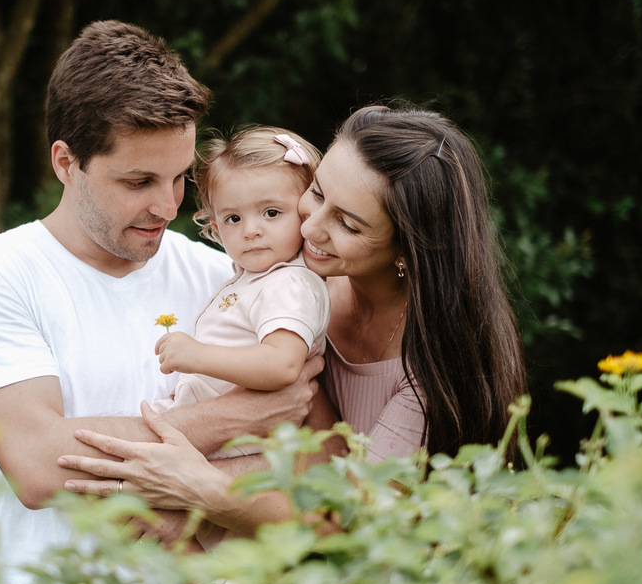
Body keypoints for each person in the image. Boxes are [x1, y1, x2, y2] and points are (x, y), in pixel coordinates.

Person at [0, 20, 320, 584]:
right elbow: (38, 465)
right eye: (139, 180)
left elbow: (303, 466)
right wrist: (240, 414)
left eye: (180, 179)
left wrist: (199, 484)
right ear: (66, 162)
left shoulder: (229, 279)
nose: (167, 206)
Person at [58, 103, 527, 536]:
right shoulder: (290, 280)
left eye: (348, 224)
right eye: (316, 193)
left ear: (407, 249)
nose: (310, 226)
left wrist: (200, 494)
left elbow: (353, 518)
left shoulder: (430, 370)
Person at [151, 127, 330, 456]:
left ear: (307, 214)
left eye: (271, 213)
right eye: (233, 218)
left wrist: (198, 356)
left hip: (240, 438)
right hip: (214, 428)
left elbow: (282, 364)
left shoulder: (289, 283)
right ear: (216, 228)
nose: (251, 230)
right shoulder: (254, 279)